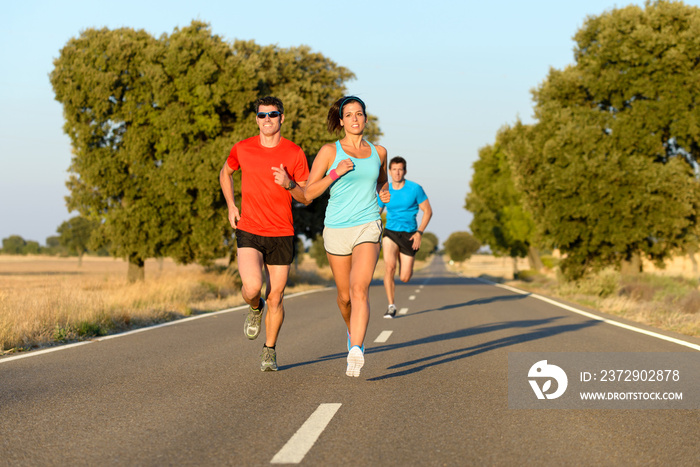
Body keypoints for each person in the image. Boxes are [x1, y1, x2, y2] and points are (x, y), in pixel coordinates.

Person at [219, 96, 310, 372]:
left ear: (282, 117)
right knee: (252, 288)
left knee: (277, 297)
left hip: (282, 231)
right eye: (262, 115)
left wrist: (288, 183)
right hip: (250, 228)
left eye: (272, 114)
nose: (267, 119)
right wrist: (231, 205)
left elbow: (306, 196)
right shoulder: (243, 148)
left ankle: (269, 350)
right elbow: (226, 173)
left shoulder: (295, 153)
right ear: (256, 119)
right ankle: (254, 307)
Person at [303, 96, 390, 378]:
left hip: (368, 225)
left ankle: (356, 346)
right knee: (344, 298)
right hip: (337, 228)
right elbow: (307, 194)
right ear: (341, 121)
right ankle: (351, 330)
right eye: (349, 114)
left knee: (359, 289)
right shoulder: (330, 151)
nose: (354, 118)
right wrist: (334, 173)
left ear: (366, 119)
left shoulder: (380, 152)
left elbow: (381, 180)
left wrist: (382, 192)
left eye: (359, 114)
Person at [378, 156, 432, 318]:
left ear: (405, 171)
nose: (397, 172)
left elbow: (428, 211)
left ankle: (405, 261)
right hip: (391, 232)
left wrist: (419, 233)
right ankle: (391, 305)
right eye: (394, 169)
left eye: (400, 169)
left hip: (410, 234)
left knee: (405, 277)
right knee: (389, 267)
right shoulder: (385, 190)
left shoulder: (415, 189)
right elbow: (377, 212)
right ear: (389, 171)